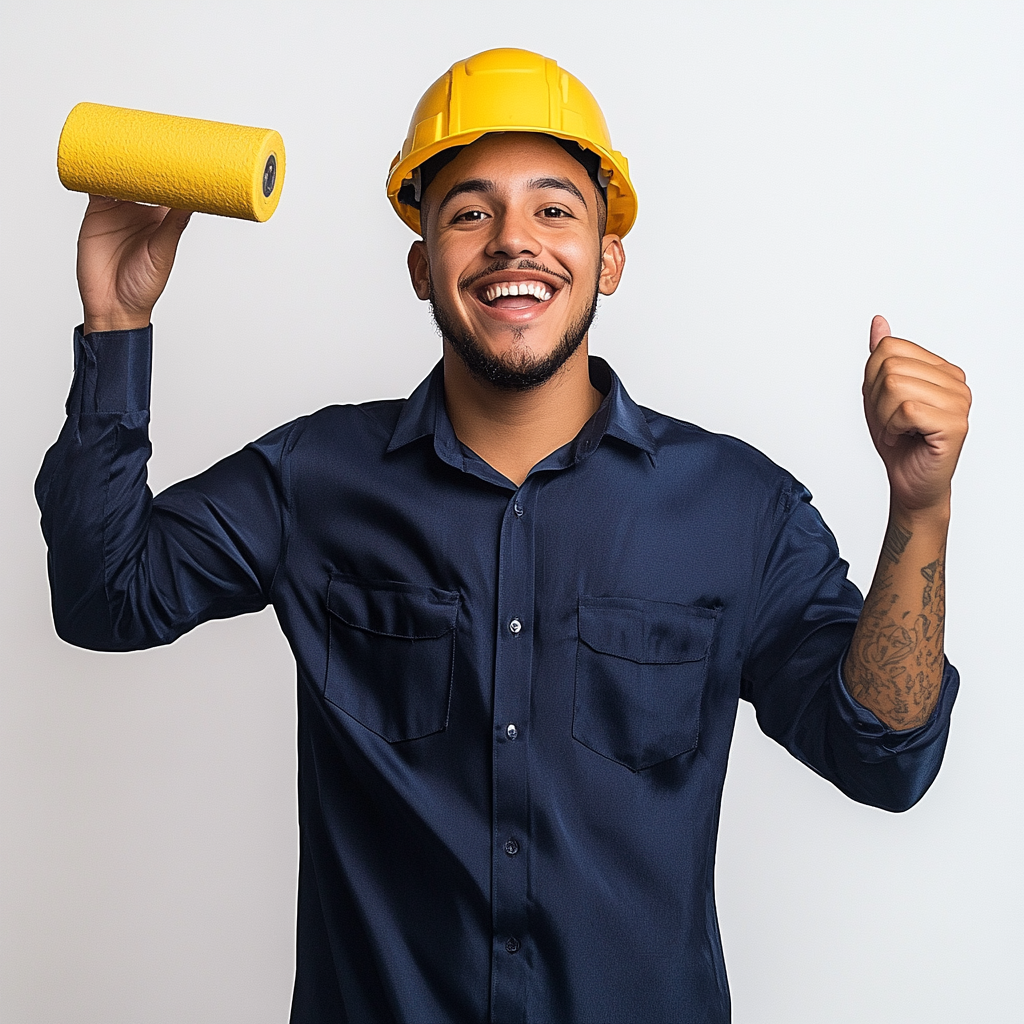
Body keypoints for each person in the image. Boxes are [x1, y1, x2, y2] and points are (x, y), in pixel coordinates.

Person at [36, 47, 970, 1024]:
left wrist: (919, 511)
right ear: (421, 262)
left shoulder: (738, 508)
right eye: (470, 211)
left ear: (608, 254)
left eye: (554, 208)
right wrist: (117, 317)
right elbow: (107, 599)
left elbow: (884, 759)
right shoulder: (314, 479)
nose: (512, 241)